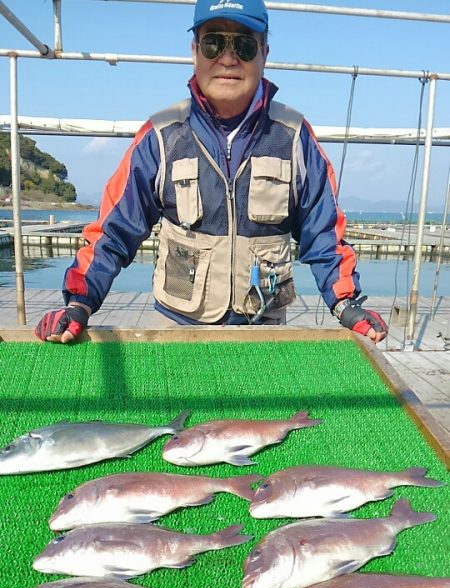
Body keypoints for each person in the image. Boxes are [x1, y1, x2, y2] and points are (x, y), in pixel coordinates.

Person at [35, 0, 388, 343]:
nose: (228, 58)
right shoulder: (161, 136)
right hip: (176, 327)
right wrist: (80, 302)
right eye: (214, 42)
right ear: (194, 52)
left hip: (265, 329)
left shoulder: (295, 137)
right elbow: (111, 234)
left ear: (264, 53)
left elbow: (324, 234)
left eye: (245, 45)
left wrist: (347, 304)